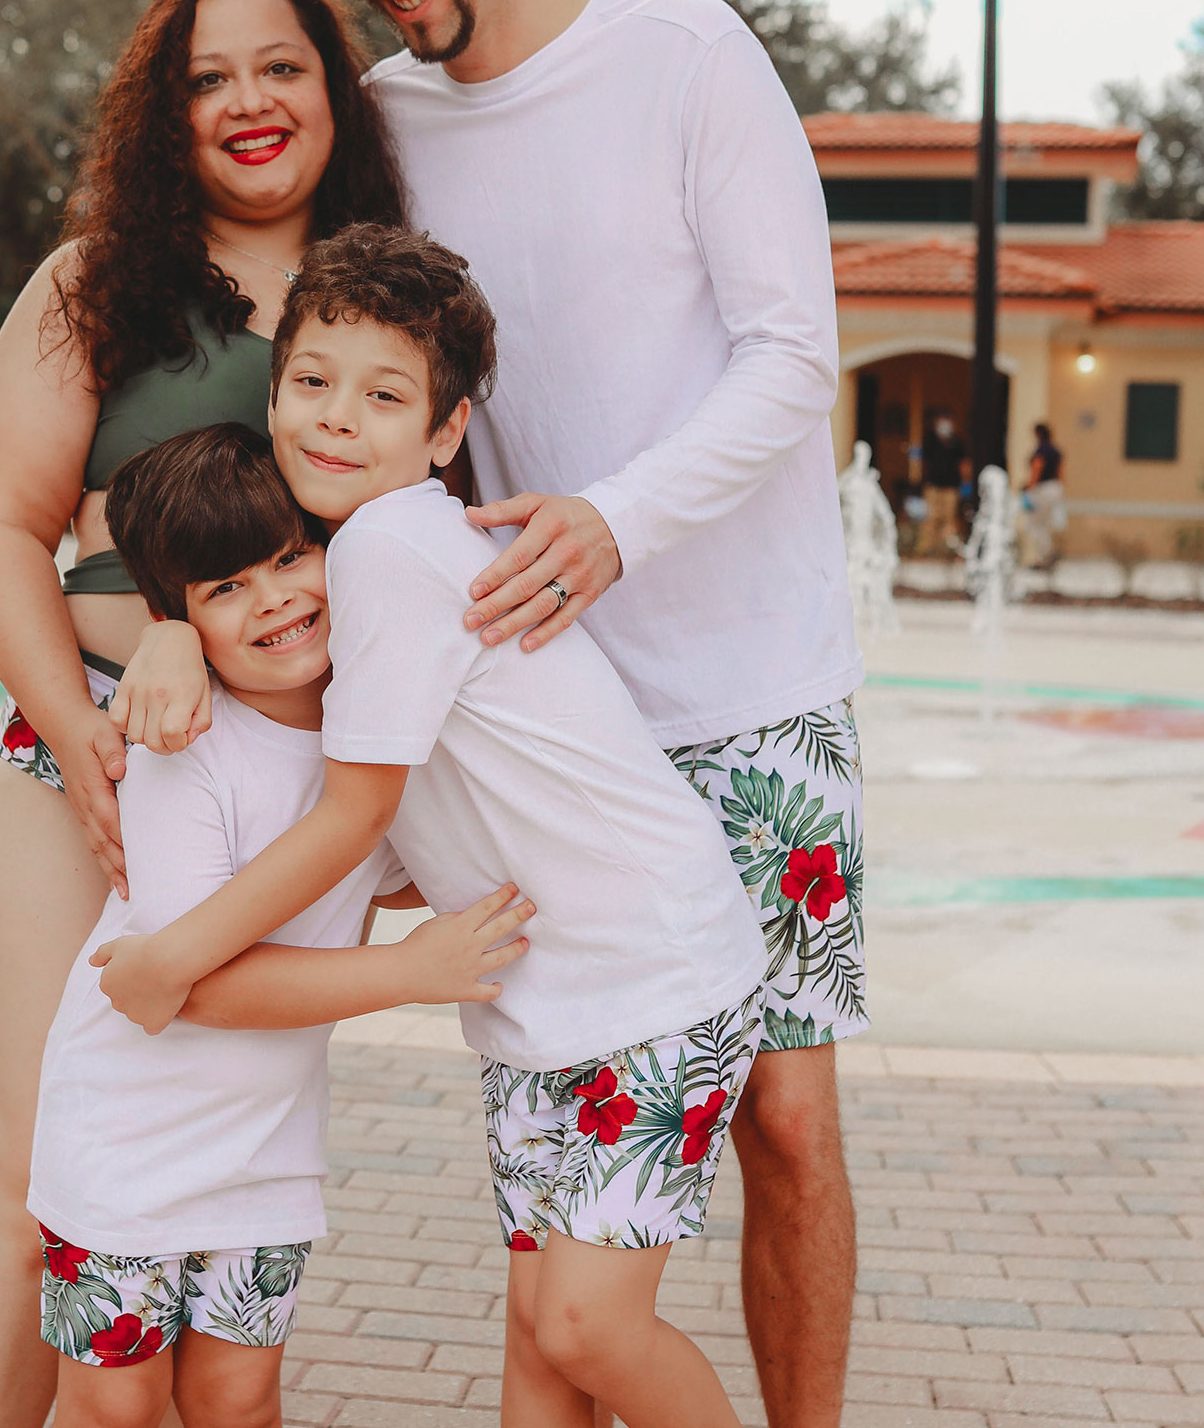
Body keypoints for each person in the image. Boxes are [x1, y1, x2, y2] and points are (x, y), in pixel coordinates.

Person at [273, 0, 870, 1428]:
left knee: (788, 1120)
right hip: (553, 721)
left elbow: (789, 359)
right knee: (572, 1216)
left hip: (752, 684)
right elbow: (302, 350)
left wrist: (613, 517)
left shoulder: (687, 56)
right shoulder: (378, 125)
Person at [95, 226, 771, 1428]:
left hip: (650, 970)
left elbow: (356, 815)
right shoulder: (345, 554)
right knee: (535, 1342)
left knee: (583, 1325)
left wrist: (170, 959)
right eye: (312, 381)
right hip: (538, 986)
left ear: (445, 436)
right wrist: (169, 630)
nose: (336, 419)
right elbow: (194, 559)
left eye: (385, 395)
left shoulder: (394, 554)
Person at [0, 0, 408, 1428]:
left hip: (281, 809)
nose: (248, 101)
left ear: (333, 90)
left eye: (281, 66)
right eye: (208, 79)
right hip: (69, 781)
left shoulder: (386, 297)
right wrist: (88, 718)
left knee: (210, 1186)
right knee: (47, 1177)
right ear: (167, 115)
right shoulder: (100, 283)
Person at [29, 422, 531, 1428]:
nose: (276, 600)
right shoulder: (185, 748)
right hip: (125, 1143)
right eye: (226, 589)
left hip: (263, 1154)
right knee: (113, 1410)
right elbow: (190, 991)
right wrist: (408, 973)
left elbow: (391, 876)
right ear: (181, 621)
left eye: (291, 558)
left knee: (240, 1400)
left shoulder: (369, 743)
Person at [919, 410, 970, 556]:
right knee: (931, 519)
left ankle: (947, 550)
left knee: (950, 519)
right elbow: (923, 460)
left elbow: (964, 464)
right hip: (933, 486)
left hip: (951, 486)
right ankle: (927, 550)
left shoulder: (957, 442)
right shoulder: (930, 440)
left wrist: (965, 483)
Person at [1022, 421, 1066, 568]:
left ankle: (1046, 554)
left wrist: (1029, 486)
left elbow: (1037, 468)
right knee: (1045, 524)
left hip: (1043, 489)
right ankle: (1047, 555)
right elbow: (1061, 474)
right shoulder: (1056, 451)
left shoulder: (1041, 451)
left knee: (1033, 524)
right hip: (1056, 489)